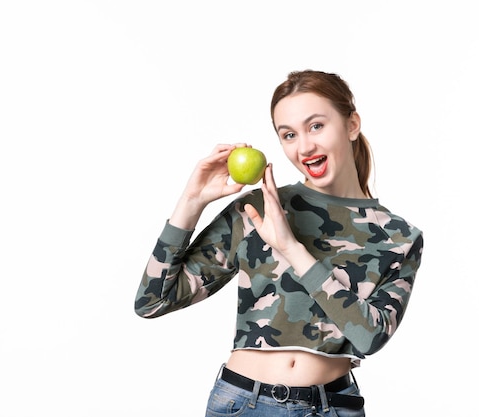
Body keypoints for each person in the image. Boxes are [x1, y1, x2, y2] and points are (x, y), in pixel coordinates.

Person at [134, 69, 424, 416]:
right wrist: (192, 201)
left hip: (331, 407)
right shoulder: (259, 209)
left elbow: (370, 338)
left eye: (316, 126)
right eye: (289, 134)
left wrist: (291, 249)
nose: (305, 146)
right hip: (242, 404)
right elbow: (152, 302)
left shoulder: (399, 236)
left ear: (351, 125)